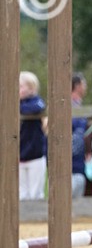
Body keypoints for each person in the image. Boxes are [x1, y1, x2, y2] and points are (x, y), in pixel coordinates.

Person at [19, 71, 47, 200]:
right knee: (22, 194)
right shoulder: (15, 104)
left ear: (31, 88)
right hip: (20, 156)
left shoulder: (37, 102)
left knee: (36, 193)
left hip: (35, 156)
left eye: (20, 86)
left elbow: (36, 107)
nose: (18, 90)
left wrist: (20, 107)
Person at [71, 72, 90, 198]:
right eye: (83, 84)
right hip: (71, 164)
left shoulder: (78, 106)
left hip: (79, 163)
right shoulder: (70, 106)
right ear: (77, 86)